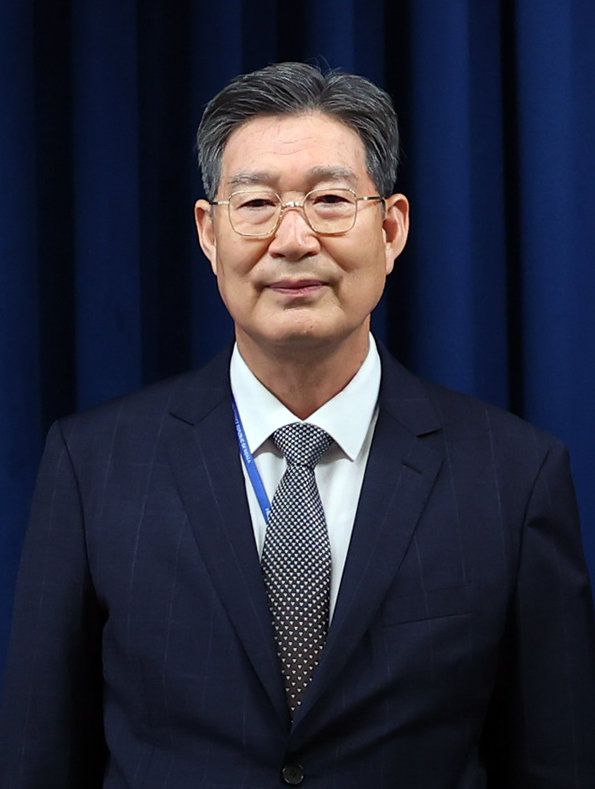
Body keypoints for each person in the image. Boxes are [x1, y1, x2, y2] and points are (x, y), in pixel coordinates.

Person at [1, 62, 594, 788]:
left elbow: (556, 761)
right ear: (208, 232)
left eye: (329, 200)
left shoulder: (514, 476)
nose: (292, 240)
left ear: (391, 228)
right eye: (256, 203)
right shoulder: (94, 465)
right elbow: (38, 756)